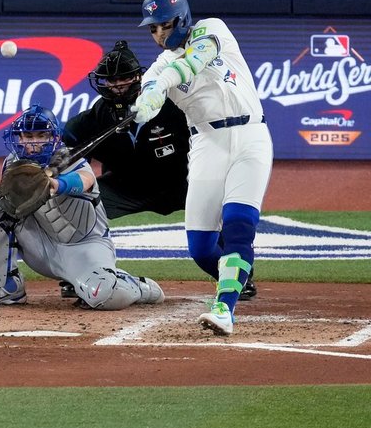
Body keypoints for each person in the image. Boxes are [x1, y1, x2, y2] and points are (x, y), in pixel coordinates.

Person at [62, 39, 257, 301]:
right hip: (127, 187)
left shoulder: (173, 107)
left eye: (124, 78)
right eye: (111, 80)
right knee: (77, 206)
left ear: (138, 77)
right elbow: (61, 145)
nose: (117, 85)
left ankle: (237, 277)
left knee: (224, 210)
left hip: (183, 183)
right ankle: (78, 274)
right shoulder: (95, 118)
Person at [134, 0, 272, 335]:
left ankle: (225, 307)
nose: (159, 34)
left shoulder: (213, 29)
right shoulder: (158, 67)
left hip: (251, 137)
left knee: (239, 224)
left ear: (181, 19)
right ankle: (237, 270)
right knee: (200, 246)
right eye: (153, 28)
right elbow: (152, 86)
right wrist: (146, 100)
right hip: (207, 143)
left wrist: (161, 82)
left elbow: (195, 60)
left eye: (164, 25)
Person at [0, 104, 165, 311]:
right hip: (41, 247)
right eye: (28, 136)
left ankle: (135, 284)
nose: (35, 142)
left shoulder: (71, 159)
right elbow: (11, 209)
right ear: (20, 138)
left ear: (53, 136)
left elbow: (86, 180)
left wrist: (56, 184)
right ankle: (7, 288)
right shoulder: (13, 163)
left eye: (41, 135)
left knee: (104, 296)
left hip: (84, 248)